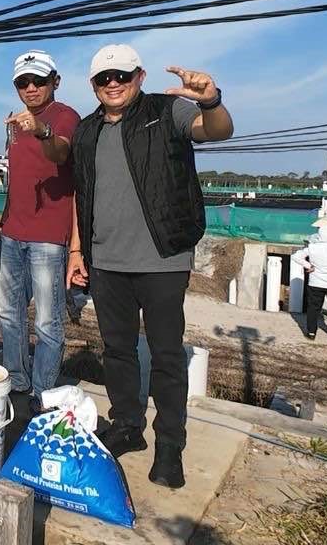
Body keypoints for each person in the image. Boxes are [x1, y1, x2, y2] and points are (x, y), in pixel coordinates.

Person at [66, 43, 233, 490]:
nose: (114, 83)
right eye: (105, 78)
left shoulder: (168, 111)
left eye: (122, 75)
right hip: (106, 262)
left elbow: (216, 131)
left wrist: (212, 100)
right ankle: (126, 426)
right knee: (117, 350)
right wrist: (77, 253)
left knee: (166, 355)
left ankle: (170, 444)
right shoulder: (86, 132)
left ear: (138, 75)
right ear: (94, 86)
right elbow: (82, 196)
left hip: (163, 259)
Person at [0, 50, 80, 407]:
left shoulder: (65, 117)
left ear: (54, 82)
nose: (30, 88)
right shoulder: (13, 123)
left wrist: (41, 129)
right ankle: (17, 380)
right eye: (23, 82)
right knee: (8, 312)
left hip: (49, 239)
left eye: (38, 80)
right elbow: (18, 177)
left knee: (47, 321)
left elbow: (60, 152)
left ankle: (43, 392)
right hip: (12, 233)